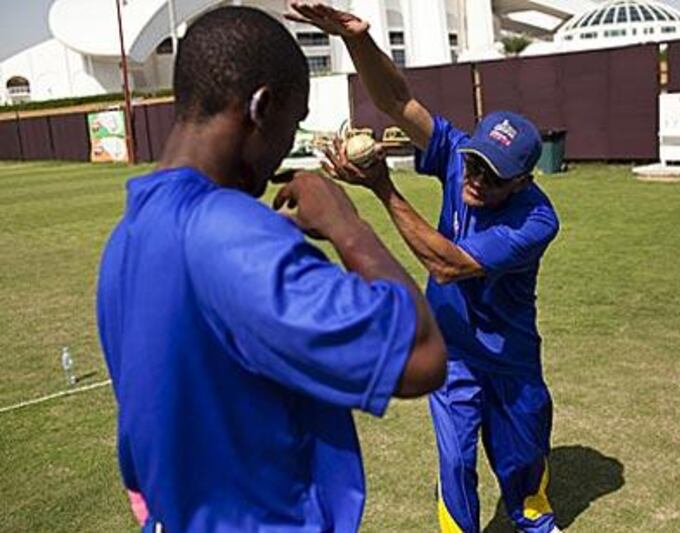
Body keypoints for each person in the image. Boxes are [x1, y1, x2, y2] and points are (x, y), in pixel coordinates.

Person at [96, 7, 447, 532]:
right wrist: (346, 224)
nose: (289, 142)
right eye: (294, 121)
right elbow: (421, 357)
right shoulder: (231, 232)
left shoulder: (124, 240)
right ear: (261, 107)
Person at [287, 3, 561, 532]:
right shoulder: (459, 155)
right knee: (456, 459)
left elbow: (447, 264)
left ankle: (532, 518)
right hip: (452, 348)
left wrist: (383, 190)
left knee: (522, 457)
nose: (475, 178)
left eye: (494, 176)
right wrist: (356, 38)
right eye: (475, 163)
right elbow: (397, 101)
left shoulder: (537, 219)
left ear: (523, 182)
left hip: (510, 357)